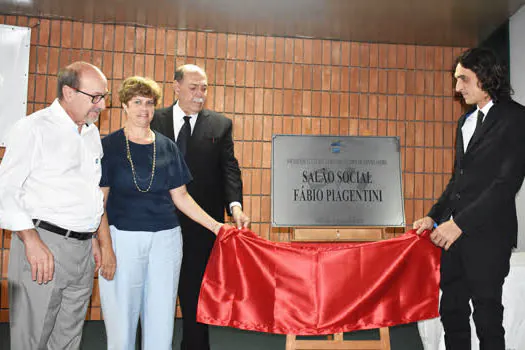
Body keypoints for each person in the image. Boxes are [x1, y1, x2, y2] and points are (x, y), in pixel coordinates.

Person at [97, 76, 230, 350]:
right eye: (137, 102)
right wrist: (105, 247)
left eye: (149, 103)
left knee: (161, 323)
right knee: (121, 324)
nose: (144, 110)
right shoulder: (108, 146)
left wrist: (216, 226)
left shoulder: (166, 146)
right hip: (123, 240)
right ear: (124, 105)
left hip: (166, 242)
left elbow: (181, 196)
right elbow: (98, 204)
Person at [413, 48, 525, 349]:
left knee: (488, 318)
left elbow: (506, 183)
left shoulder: (516, 118)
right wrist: (435, 216)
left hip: (489, 236)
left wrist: (458, 224)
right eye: (456, 80)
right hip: (454, 236)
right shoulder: (464, 123)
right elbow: (457, 182)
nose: (457, 88)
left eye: (463, 79)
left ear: (486, 77)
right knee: (452, 313)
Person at [0, 61, 108, 349]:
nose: (101, 105)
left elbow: (89, 191)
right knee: (31, 339)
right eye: (95, 97)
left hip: (82, 250)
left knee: (68, 339)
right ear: (68, 92)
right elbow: (6, 190)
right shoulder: (33, 128)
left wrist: (94, 237)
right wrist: (31, 240)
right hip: (42, 245)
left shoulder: (91, 133)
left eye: (104, 97)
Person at [151, 64, 249, 350]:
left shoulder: (220, 124)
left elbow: (229, 169)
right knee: (156, 295)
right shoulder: (154, 120)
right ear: (176, 87)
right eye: (193, 87)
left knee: (196, 296)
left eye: (204, 87)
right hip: (158, 221)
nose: (199, 94)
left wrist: (235, 207)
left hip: (202, 223)